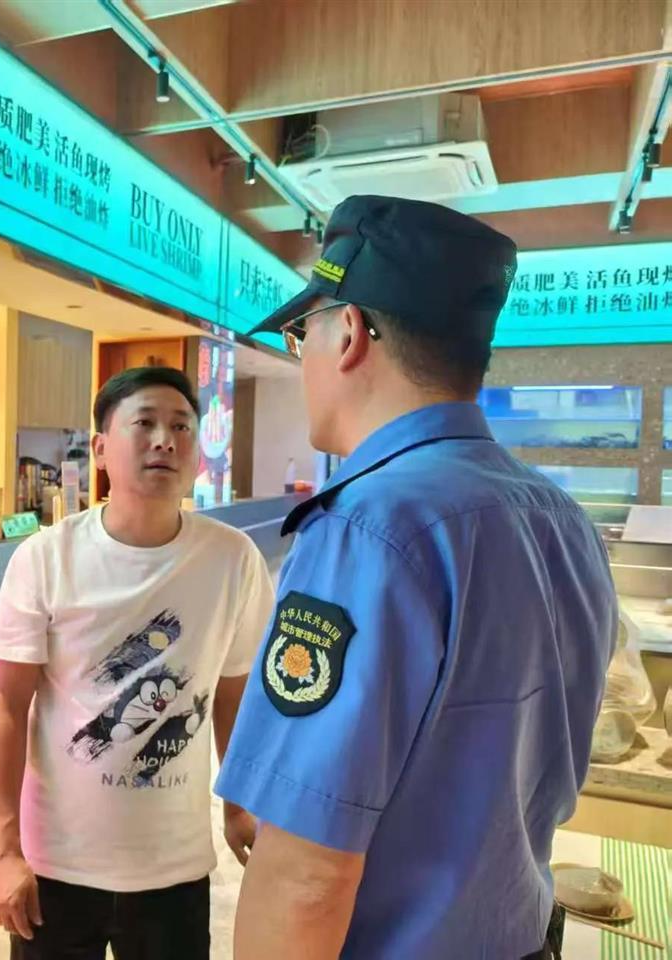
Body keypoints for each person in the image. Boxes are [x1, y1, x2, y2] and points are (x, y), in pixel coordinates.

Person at [215, 196, 616, 960]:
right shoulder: (561, 519)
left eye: (302, 333)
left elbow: (306, 874)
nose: (301, 359)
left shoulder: (365, 532)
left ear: (349, 333)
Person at [0, 366, 276, 960]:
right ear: (99, 448)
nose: (165, 440)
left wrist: (240, 804)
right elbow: (8, 706)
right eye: (144, 423)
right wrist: (3, 850)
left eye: (182, 426)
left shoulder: (233, 560)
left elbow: (233, 695)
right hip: (58, 865)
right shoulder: (46, 557)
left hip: (174, 867)